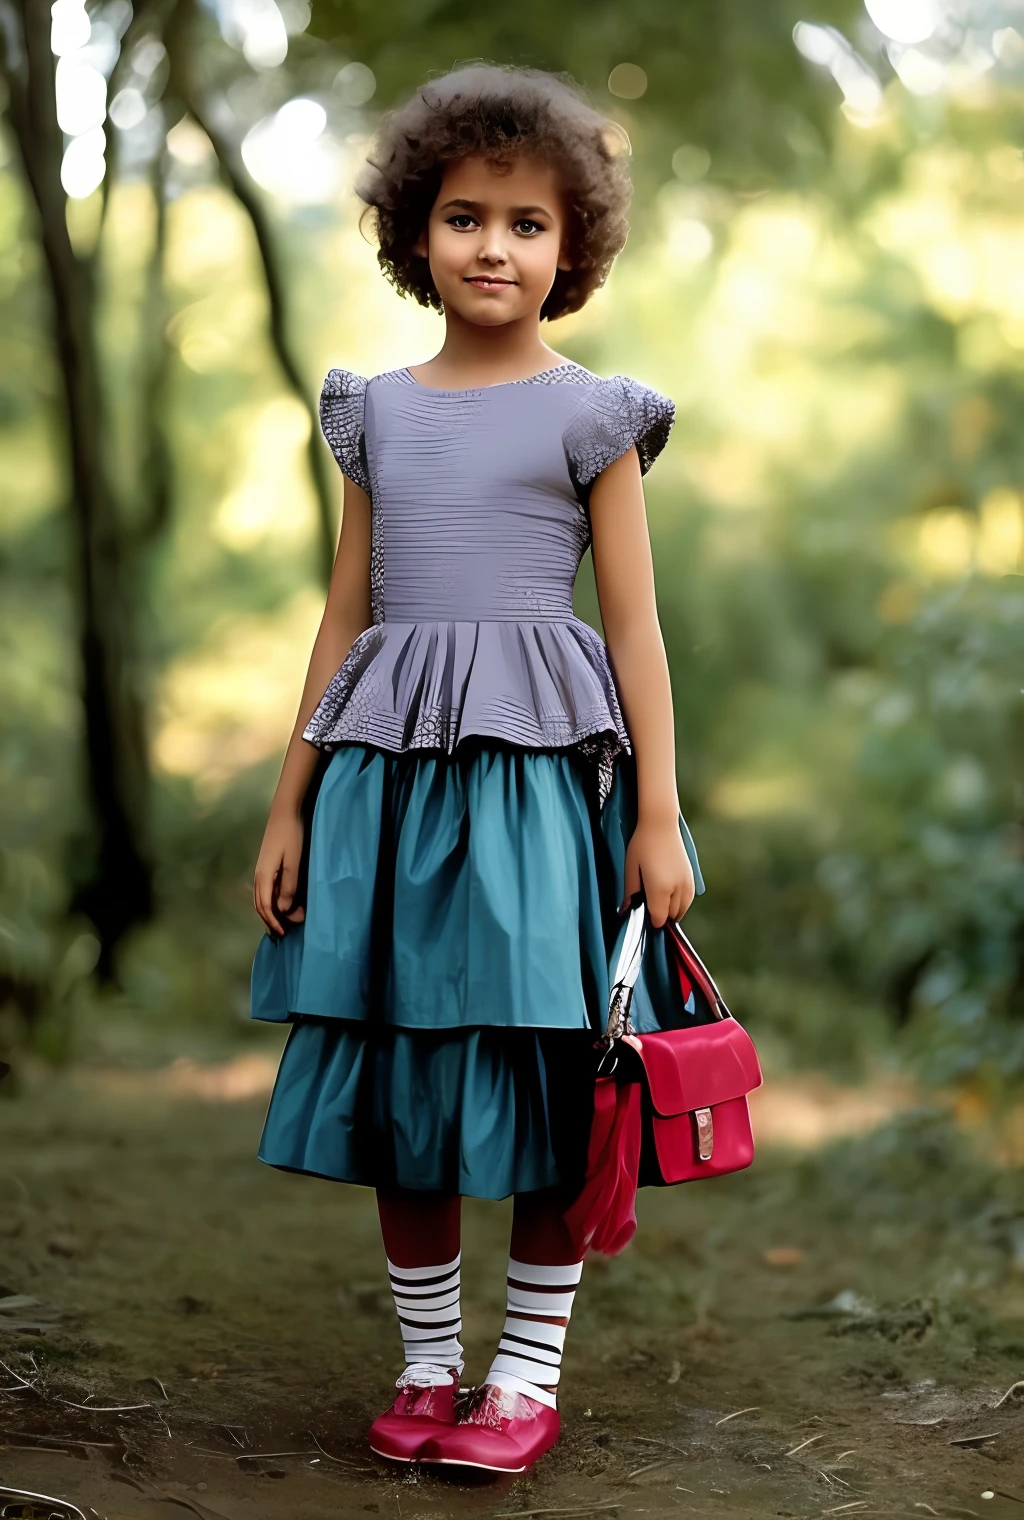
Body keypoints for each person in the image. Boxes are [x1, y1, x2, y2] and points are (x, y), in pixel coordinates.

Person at [249, 61, 706, 1476]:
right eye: (463, 216)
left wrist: (662, 819)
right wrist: (291, 798)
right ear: (413, 234)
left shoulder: (593, 417)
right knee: (409, 1071)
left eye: (525, 223)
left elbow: (633, 627)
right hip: (389, 787)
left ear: (572, 250)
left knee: (549, 1066)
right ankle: (430, 1361)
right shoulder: (375, 413)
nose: (493, 246)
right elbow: (345, 611)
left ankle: (526, 1374)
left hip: (541, 791)